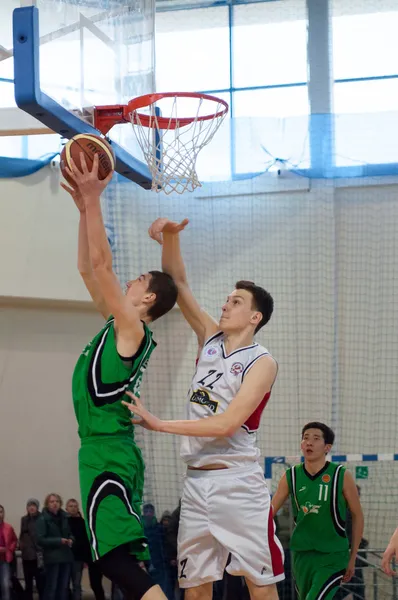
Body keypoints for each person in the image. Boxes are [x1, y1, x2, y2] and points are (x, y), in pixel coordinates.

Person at [122, 217, 284, 600]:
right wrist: (172, 238)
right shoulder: (210, 339)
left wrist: (159, 424)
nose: (225, 305)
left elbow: (227, 424)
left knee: (259, 588)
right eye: (227, 300)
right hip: (195, 484)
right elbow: (178, 287)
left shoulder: (262, 362)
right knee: (195, 589)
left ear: (255, 317)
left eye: (236, 302)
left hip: (238, 485)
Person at [62, 155, 178, 600]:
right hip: (103, 450)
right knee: (109, 558)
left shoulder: (132, 327)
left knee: (111, 559)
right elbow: (88, 269)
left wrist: (95, 199)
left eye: (138, 278)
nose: (127, 280)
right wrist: (83, 211)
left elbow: (102, 265)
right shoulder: (120, 326)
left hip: (109, 450)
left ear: (148, 297)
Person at [272, 422, 364, 600]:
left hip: (333, 556)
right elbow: (269, 513)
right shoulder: (290, 476)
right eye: (305, 438)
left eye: (315, 439)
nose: (309, 443)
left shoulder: (341, 475)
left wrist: (353, 556)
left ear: (327, 447)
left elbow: (357, 515)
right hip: (302, 554)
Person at [35, 494, 74, 600]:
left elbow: (70, 533)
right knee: (52, 587)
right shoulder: (42, 519)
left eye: (57, 501)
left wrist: (71, 539)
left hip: (66, 556)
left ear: (60, 503)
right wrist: (59, 541)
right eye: (52, 502)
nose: (55, 503)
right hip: (52, 558)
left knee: (64, 587)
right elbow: (40, 539)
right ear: (47, 504)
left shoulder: (65, 517)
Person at [19, 498, 44, 600]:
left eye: (33, 505)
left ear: (37, 507)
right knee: (28, 584)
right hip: (26, 556)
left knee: (40, 584)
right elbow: (22, 534)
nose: (31, 507)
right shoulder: (24, 519)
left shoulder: (42, 518)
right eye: (29, 505)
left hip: (38, 556)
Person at [0, 504, 18, 600]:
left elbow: (14, 540)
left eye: (1, 512)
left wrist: (9, 549)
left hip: (4, 561)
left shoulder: (8, 527)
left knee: (5, 585)